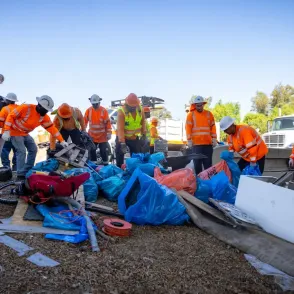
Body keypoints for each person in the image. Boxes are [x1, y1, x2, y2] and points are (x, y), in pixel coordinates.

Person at [2, 95, 67, 179]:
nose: (46, 112)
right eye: (45, 110)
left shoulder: (44, 117)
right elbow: (11, 116)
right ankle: (20, 174)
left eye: (47, 110)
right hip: (14, 132)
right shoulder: (25, 108)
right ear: (39, 105)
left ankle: (28, 170)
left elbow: (52, 129)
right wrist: (6, 130)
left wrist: (62, 141)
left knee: (33, 149)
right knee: (21, 151)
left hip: (25, 133)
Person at [185, 96, 217, 174]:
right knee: (197, 166)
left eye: (200, 105)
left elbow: (213, 126)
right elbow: (188, 128)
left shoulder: (209, 114)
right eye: (197, 105)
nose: (199, 107)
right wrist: (189, 140)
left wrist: (214, 138)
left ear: (203, 104)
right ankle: (200, 182)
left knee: (208, 166)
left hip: (207, 145)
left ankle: (208, 182)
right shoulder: (191, 115)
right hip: (196, 145)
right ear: (195, 105)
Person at [116, 93, 147, 167]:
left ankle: (134, 169)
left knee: (136, 156)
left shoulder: (140, 110)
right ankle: (119, 169)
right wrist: (122, 142)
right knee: (120, 154)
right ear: (127, 104)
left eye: (134, 106)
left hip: (134, 138)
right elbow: (120, 129)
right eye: (131, 107)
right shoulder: (122, 112)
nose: (133, 108)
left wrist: (144, 134)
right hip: (122, 138)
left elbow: (143, 122)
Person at [84, 94, 112, 164]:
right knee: (92, 150)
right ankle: (94, 165)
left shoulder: (103, 111)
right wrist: (83, 131)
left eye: (96, 104)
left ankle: (106, 165)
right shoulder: (88, 111)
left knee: (103, 151)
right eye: (93, 104)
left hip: (102, 136)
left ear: (99, 102)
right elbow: (84, 122)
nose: (95, 106)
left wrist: (109, 133)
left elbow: (108, 123)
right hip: (92, 136)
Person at [0, 93, 18, 170]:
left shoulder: (5, 109)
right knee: (17, 152)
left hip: (6, 134)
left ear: (7, 100)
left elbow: (0, 123)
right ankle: (16, 169)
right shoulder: (19, 108)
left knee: (4, 151)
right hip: (18, 134)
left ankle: (6, 168)